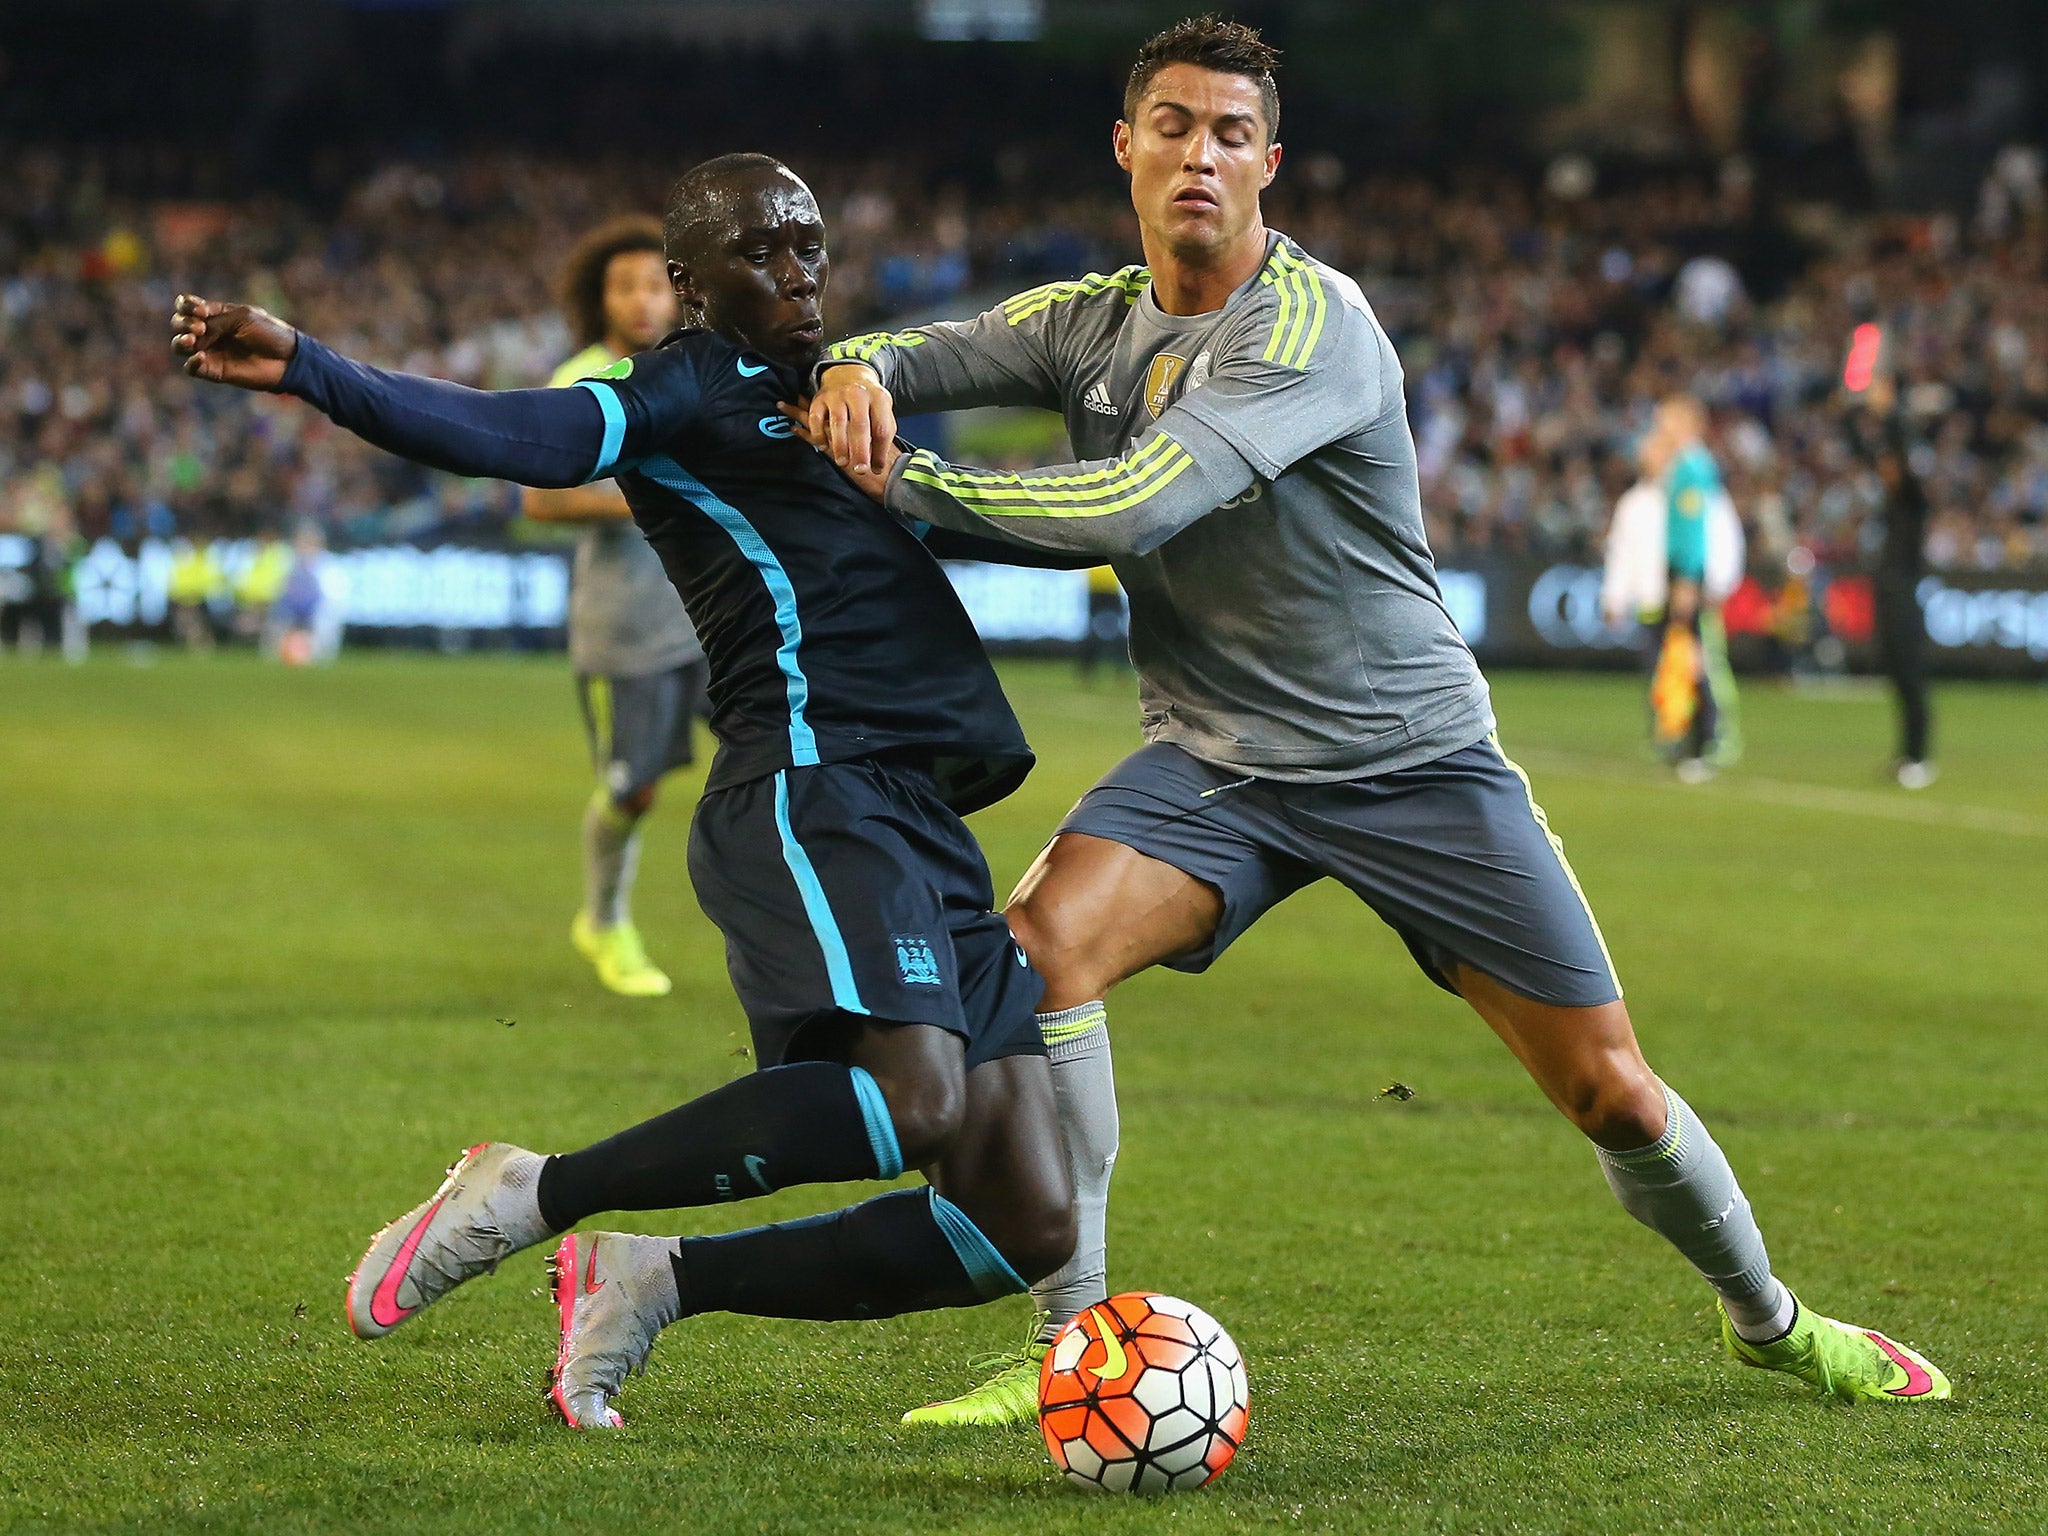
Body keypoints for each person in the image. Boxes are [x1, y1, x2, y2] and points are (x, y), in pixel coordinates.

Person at [803, 15, 1949, 1421]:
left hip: (1409, 763)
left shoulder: (1309, 323)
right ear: (1127, 148)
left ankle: (1770, 1324)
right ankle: (1078, 1345)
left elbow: (1139, 501)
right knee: (1035, 960)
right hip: (1216, 764)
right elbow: (926, 352)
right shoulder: (1087, 321)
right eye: (1173, 125)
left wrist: (902, 483)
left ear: (1269, 163)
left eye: (1232, 134)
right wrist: (857, 365)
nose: (1200, 157)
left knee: (1613, 1096)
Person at [170, 153, 1082, 1432]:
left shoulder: (849, 387)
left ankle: (650, 1278)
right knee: (913, 1098)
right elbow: (521, 437)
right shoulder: (685, 387)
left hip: (920, 814)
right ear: (691, 282)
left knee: (1019, 1223)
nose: (794, 271)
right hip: (813, 784)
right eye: (760, 251)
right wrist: (319, 370)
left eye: (808, 244)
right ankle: (528, 1195)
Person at [524, 217, 710, 997]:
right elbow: (540, 500)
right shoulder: (579, 382)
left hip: (713, 618)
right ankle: (603, 921)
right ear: (599, 298)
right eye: (623, 285)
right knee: (633, 789)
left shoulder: (699, 371)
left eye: (655, 284)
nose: (641, 300)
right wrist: (645, 503)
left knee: (787, 761)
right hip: (625, 625)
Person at [1602, 423, 1745, 768]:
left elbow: (1722, 539)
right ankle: (1672, 735)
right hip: (1651, 600)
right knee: (1661, 673)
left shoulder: (1692, 492)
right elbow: (1620, 553)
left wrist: (1716, 583)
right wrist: (1614, 596)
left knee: (1701, 668)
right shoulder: (1634, 502)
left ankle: (1712, 735)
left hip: (1687, 595)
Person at [1638, 396, 1741, 781]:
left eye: (1665, 421)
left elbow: (1693, 530)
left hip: (1686, 572)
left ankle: (1702, 740)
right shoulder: (1684, 466)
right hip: (1682, 570)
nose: (1659, 428)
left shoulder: (1693, 468)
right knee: (1684, 654)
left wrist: (1685, 578)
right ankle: (1688, 738)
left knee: (1692, 654)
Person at [1853, 372, 1936, 788]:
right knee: (1895, 672)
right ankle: (1907, 754)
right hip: (1888, 587)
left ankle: (1919, 756)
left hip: (1904, 588)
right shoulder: (1892, 501)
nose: (1884, 470)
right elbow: (1869, 449)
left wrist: (1889, 414)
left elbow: (1898, 454)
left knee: (1910, 671)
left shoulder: (1911, 501)